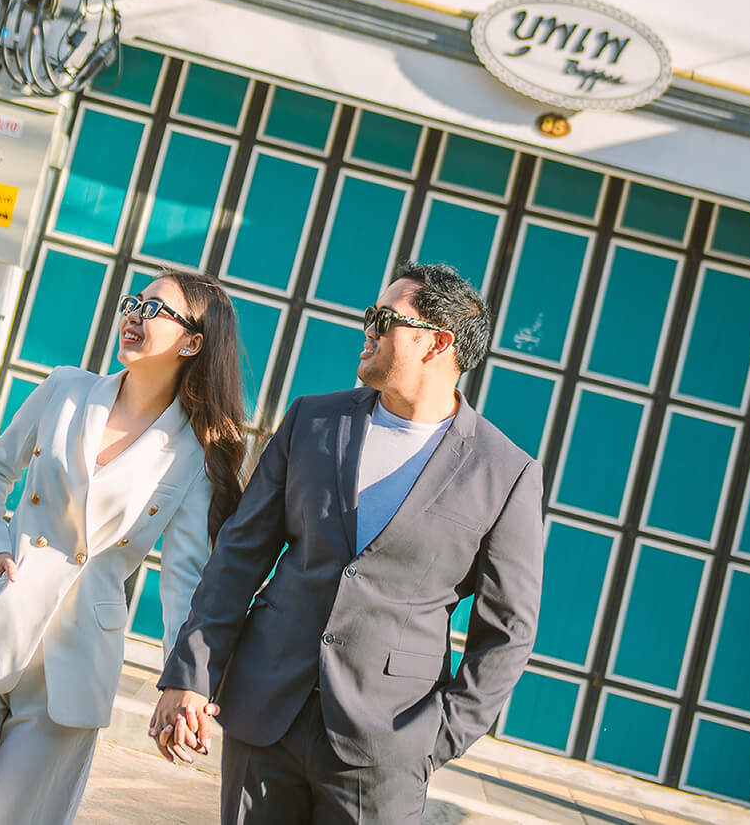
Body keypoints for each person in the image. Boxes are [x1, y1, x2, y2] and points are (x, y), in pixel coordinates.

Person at [149, 260, 543, 825]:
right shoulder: (313, 421)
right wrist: (191, 673)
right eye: (370, 317)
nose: (369, 330)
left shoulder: (505, 473)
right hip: (266, 713)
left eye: (385, 319)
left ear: (439, 343)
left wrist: (435, 739)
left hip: (386, 745)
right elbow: (240, 553)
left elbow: (508, 631)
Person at [0, 271, 247, 825]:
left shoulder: (193, 455)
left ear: (193, 343)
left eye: (155, 309)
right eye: (133, 301)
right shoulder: (65, 389)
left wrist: (182, 681)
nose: (135, 314)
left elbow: (183, 581)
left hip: (76, 664)